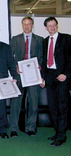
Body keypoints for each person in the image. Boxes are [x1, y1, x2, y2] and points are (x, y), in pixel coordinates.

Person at [9, 16, 43, 138]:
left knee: (33, 103)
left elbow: (42, 58)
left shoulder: (39, 40)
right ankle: (13, 128)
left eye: (28, 24)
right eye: (24, 24)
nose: (26, 26)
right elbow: (10, 58)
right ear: (22, 25)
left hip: (33, 75)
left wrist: (40, 66)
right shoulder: (15, 39)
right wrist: (16, 68)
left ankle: (31, 128)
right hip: (20, 75)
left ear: (32, 25)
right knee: (16, 103)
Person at [40, 17, 71, 147]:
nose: (52, 28)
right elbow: (44, 62)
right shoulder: (45, 41)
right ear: (46, 28)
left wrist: (66, 74)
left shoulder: (67, 38)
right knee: (52, 107)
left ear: (57, 26)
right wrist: (42, 78)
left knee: (62, 107)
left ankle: (61, 136)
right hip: (50, 77)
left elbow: (70, 59)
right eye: (49, 26)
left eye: (54, 25)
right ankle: (57, 132)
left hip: (62, 77)